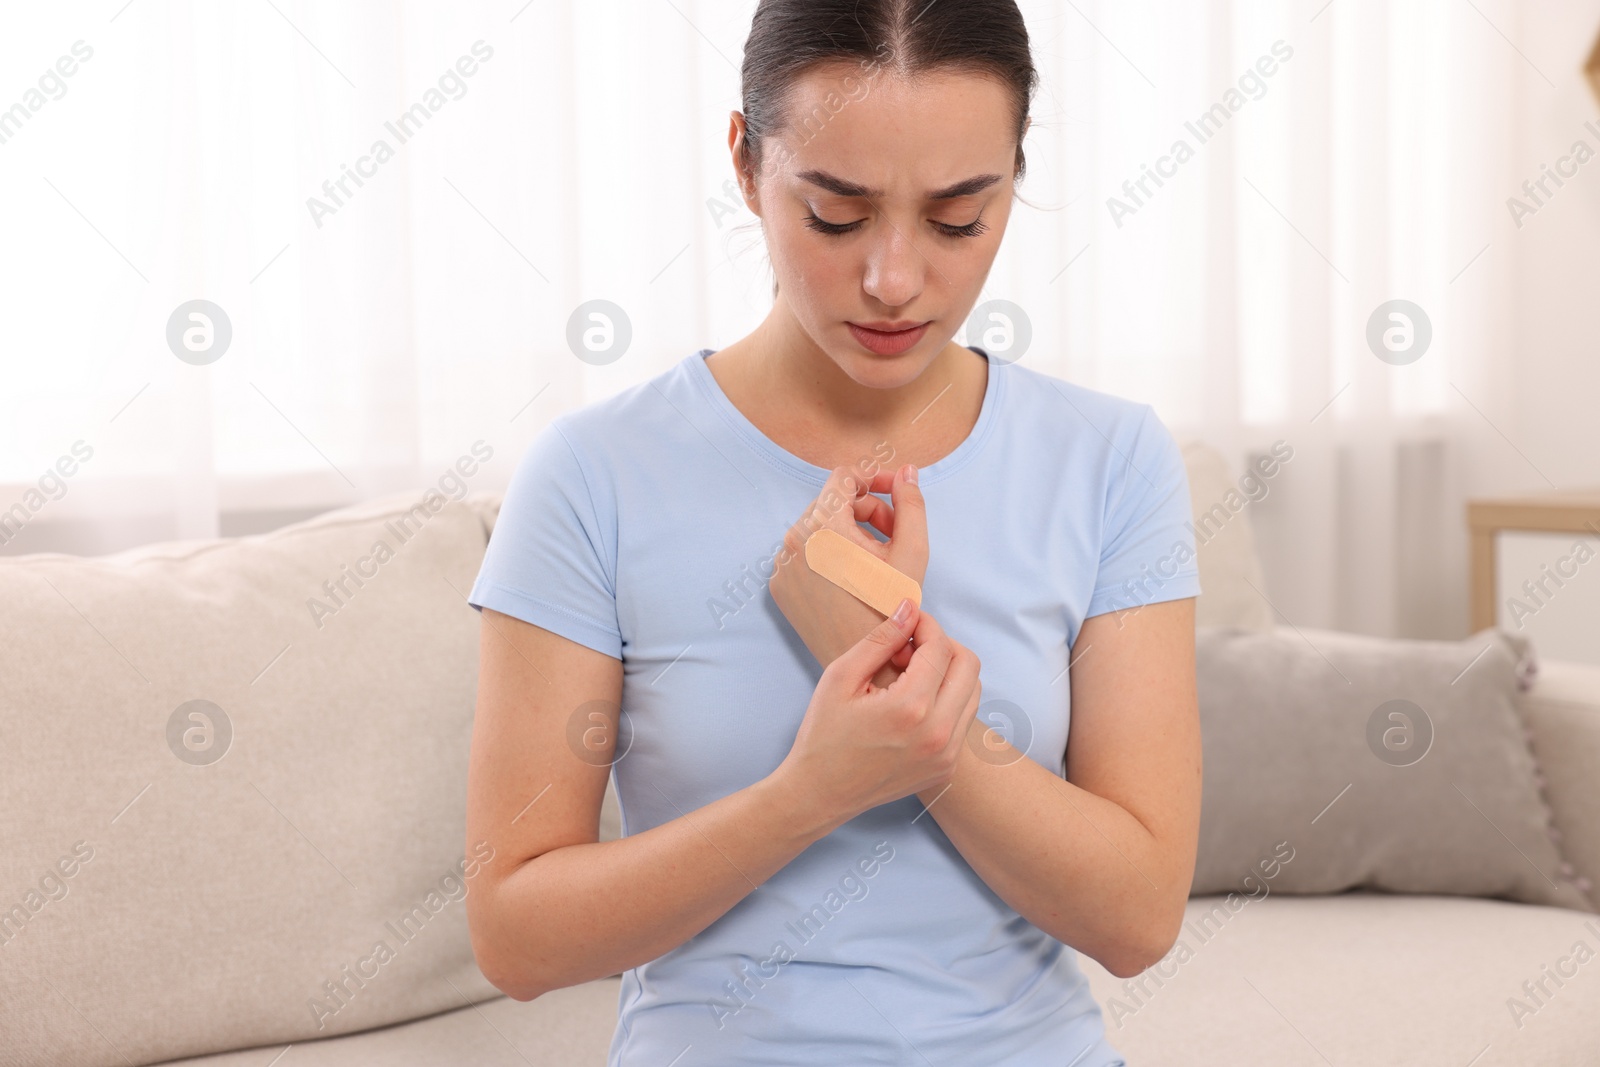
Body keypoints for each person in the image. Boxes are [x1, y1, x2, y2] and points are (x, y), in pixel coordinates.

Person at [463, 2, 1201, 1063]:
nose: (894, 279)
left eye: (958, 218)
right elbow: (514, 934)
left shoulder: (1112, 458)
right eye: (836, 214)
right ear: (746, 162)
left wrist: (895, 664)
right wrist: (814, 788)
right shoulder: (595, 474)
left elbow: (1136, 917)